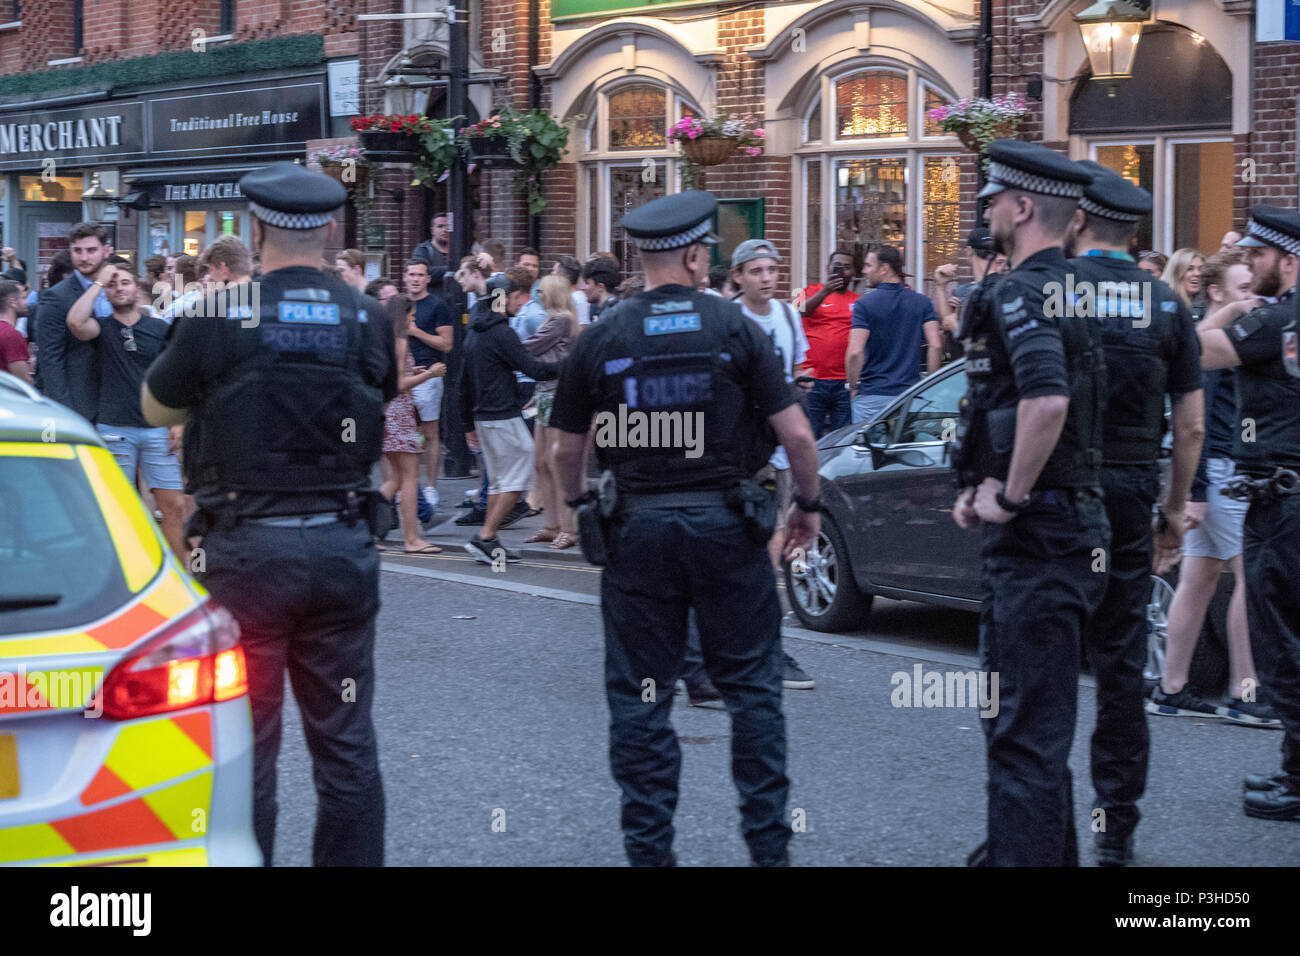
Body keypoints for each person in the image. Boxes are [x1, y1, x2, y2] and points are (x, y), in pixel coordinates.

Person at [549, 190, 822, 866]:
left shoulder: (604, 334)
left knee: (641, 701)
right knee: (754, 691)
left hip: (638, 529)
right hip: (727, 525)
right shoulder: (736, 329)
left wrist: (581, 504)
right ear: (698, 256)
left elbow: (563, 447)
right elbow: (797, 435)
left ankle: (651, 855)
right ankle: (768, 851)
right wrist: (807, 507)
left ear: (640, 258)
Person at [141, 162, 397, 866]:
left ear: (255, 231)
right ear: (329, 231)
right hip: (344, 547)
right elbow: (381, 390)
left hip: (248, 553)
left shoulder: (219, 314)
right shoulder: (367, 315)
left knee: (246, 746)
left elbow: (154, 407)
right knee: (346, 743)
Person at [950, 140, 1107, 866]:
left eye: (992, 200)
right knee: (1033, 730)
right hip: (1073, 530)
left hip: (1040, 538)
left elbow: (1046, 400)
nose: (985, 212)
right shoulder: (1077, 288)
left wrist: (1009, 496)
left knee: (1021, 734)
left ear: (1021, 207)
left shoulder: (1021, 290)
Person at [1065, 162, 1206, 866]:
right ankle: (1115, 828)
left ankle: (1038, 819)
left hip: (1061, 492)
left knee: (1045, 658)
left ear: (1080, 220)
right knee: (1121, 663)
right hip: (1129, 491)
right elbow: (1190, 427)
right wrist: (1173, 511)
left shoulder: (1052, 292)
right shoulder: (1170, 307)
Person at [1196, 205, 1300, 821]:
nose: (1248, 264)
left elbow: (1196, 351)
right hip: (1284, 500)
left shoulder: (1274, 320)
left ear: (1288, 261)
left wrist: (1229, 309)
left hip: (1280, 508)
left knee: (1281, 645)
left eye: (1258, 256)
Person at [1154, 250, 1277, 725]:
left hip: (1217, 474)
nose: (1253, 298)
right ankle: (1246, 693)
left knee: (1200, 578)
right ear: (1217, 293)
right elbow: (1196, 422)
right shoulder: (1213, 342)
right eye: (1243, 290)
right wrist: (1198, 491)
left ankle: (1171, 686)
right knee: (1251, 577)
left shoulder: (1224, 336)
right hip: (1223, 472)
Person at [65, 263, 187, 558]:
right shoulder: (103, 328)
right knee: (117, 506)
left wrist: (179, 423)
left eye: (125, 282)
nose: (119, 288)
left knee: (174, 506)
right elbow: (75, 323)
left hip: (159, 428)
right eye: (113, 284)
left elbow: (180, 375)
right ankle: (131, 572)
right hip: (114, 427)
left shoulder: (160, 328)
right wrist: (98, 283)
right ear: (107, 292)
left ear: (137, 287)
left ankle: (184, 577)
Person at [459, 265, 560, 564]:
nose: (521, 303)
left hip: (484, 417)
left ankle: (490, 543)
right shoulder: (501, 333)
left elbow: (462, 383)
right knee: (520, 476)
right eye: (518, 298)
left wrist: (467, 422)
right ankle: (486, 536)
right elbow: (535, 369)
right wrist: (572, 365)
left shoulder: (475, 332)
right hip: (502, 416)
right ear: (505, 298)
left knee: (501, 482)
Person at [379, 293, 446, 554]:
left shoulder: (388, 340)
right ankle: (412, 539)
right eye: (411, 314)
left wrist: (413, 373)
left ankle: (362, 530)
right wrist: (430, 373)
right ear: (401, 315)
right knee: (410, 477)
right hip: (399, 413)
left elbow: (395, 376)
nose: (414, 318)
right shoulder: (401, 342)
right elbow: (398, 384)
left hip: (390, 412)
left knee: (395, 478)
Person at [845, 244, 943, 424]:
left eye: (868, 265)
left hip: (871, 397)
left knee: (866, 451)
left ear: (884, 269)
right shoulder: (922, 303)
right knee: (905, 450)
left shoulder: (864, 304)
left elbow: (854, 352)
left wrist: (852, 386)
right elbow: (935, 345)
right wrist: (930, 388)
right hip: (909, 397)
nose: (864, 270)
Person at [523, 274, 581, 550]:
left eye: (542, 290)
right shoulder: (554, 319)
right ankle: (551, 525)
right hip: (544, 393)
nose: (538, 294)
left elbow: (530, 348)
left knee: (556, 465)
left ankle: (568, 529)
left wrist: (501, 346)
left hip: (559, 394)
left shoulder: (561, 320)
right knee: (541, 463)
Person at [36, 222, 113, 421]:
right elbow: (49, 358)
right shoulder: (56, 296)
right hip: (77, 404)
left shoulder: (118, 288)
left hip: (115, 403)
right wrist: (63, 411)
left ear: (106, 251)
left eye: (91, 250)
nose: (84, 257)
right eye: (77, 251)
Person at [401, 260, 454, 516]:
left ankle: (431, 487)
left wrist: (415, 331)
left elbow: (446, 344)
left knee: (430, 433)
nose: (415, 279)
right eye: (411, 274)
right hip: (402, 376)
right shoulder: (399, 303)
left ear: (427, 279)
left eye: (420, 275)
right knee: (403, 435)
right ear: (404, 277)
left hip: (429, 375)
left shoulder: (437, 305)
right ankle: (407, 487)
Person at [799, 248, 859, 437]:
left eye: (847, 268)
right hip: (812, 379)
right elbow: (798, 311)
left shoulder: (858, 301)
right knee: (810, 436)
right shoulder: (805, 291)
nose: (842, 271)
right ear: (828, 268)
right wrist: (825, 291)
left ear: (854, 273)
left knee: (841, 438)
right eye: (837, 266)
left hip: (844, 382)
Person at [931, 228, 1007, 362]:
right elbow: (947, 322)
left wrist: (955, 326)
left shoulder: (990, 292)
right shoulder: (974, 290)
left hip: (981, 377)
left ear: (969, 251)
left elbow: (985, 349)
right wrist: (940, 286)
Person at [0, 278, 31, 384]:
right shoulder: (11, 335)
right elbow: (23, 381)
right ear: (12, 302)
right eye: (24, 298)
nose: (27, 303)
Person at [1162, 248, 1205, 313]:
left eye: (1201, 269)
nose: (1198, 273)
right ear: (1176, 273)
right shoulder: (1165, 301)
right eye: (1190, 269)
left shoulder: (1208, 301)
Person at [552, 254, 590, 326]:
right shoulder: (566, 297)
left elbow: (582, 329)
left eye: (554, 271)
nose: (551, 274)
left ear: (562, 276)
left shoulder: (579, 300)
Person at [412, 212, 451, 278]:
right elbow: (423, 273)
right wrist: (453, 268)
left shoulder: (458, 250)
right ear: (432, 230)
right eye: (440, 226)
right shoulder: (423, 250)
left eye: (448, 226)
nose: (445, 230)